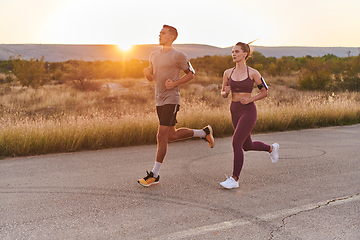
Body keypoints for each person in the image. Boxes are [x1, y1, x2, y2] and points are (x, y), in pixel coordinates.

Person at [138, 25, 214, 187]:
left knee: (161, 136)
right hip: (159, 99)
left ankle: (154, 174)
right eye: (159, 33)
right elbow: (152, 78)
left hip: (171, 99)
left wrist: (175, 83)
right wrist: (147, 76)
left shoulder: (178, 55)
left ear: (171, 37)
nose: (159, 35)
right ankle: (204, 132)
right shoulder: (153, 55)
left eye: (163, 33)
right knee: (171, 135)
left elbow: (191, 74)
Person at [220, 42, 279, 189]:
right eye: (232, 52)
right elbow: (223, 93)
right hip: (234, 109)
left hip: (248, 111)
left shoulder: (253, 73)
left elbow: (265, 92)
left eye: (237, 52)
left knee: (236, 142)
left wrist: (250, 99)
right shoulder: (228, 73)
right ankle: (271, 148)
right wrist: (225, 92)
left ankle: (234, 179)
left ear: (245, 54)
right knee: (246, 145)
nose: (233, 54)